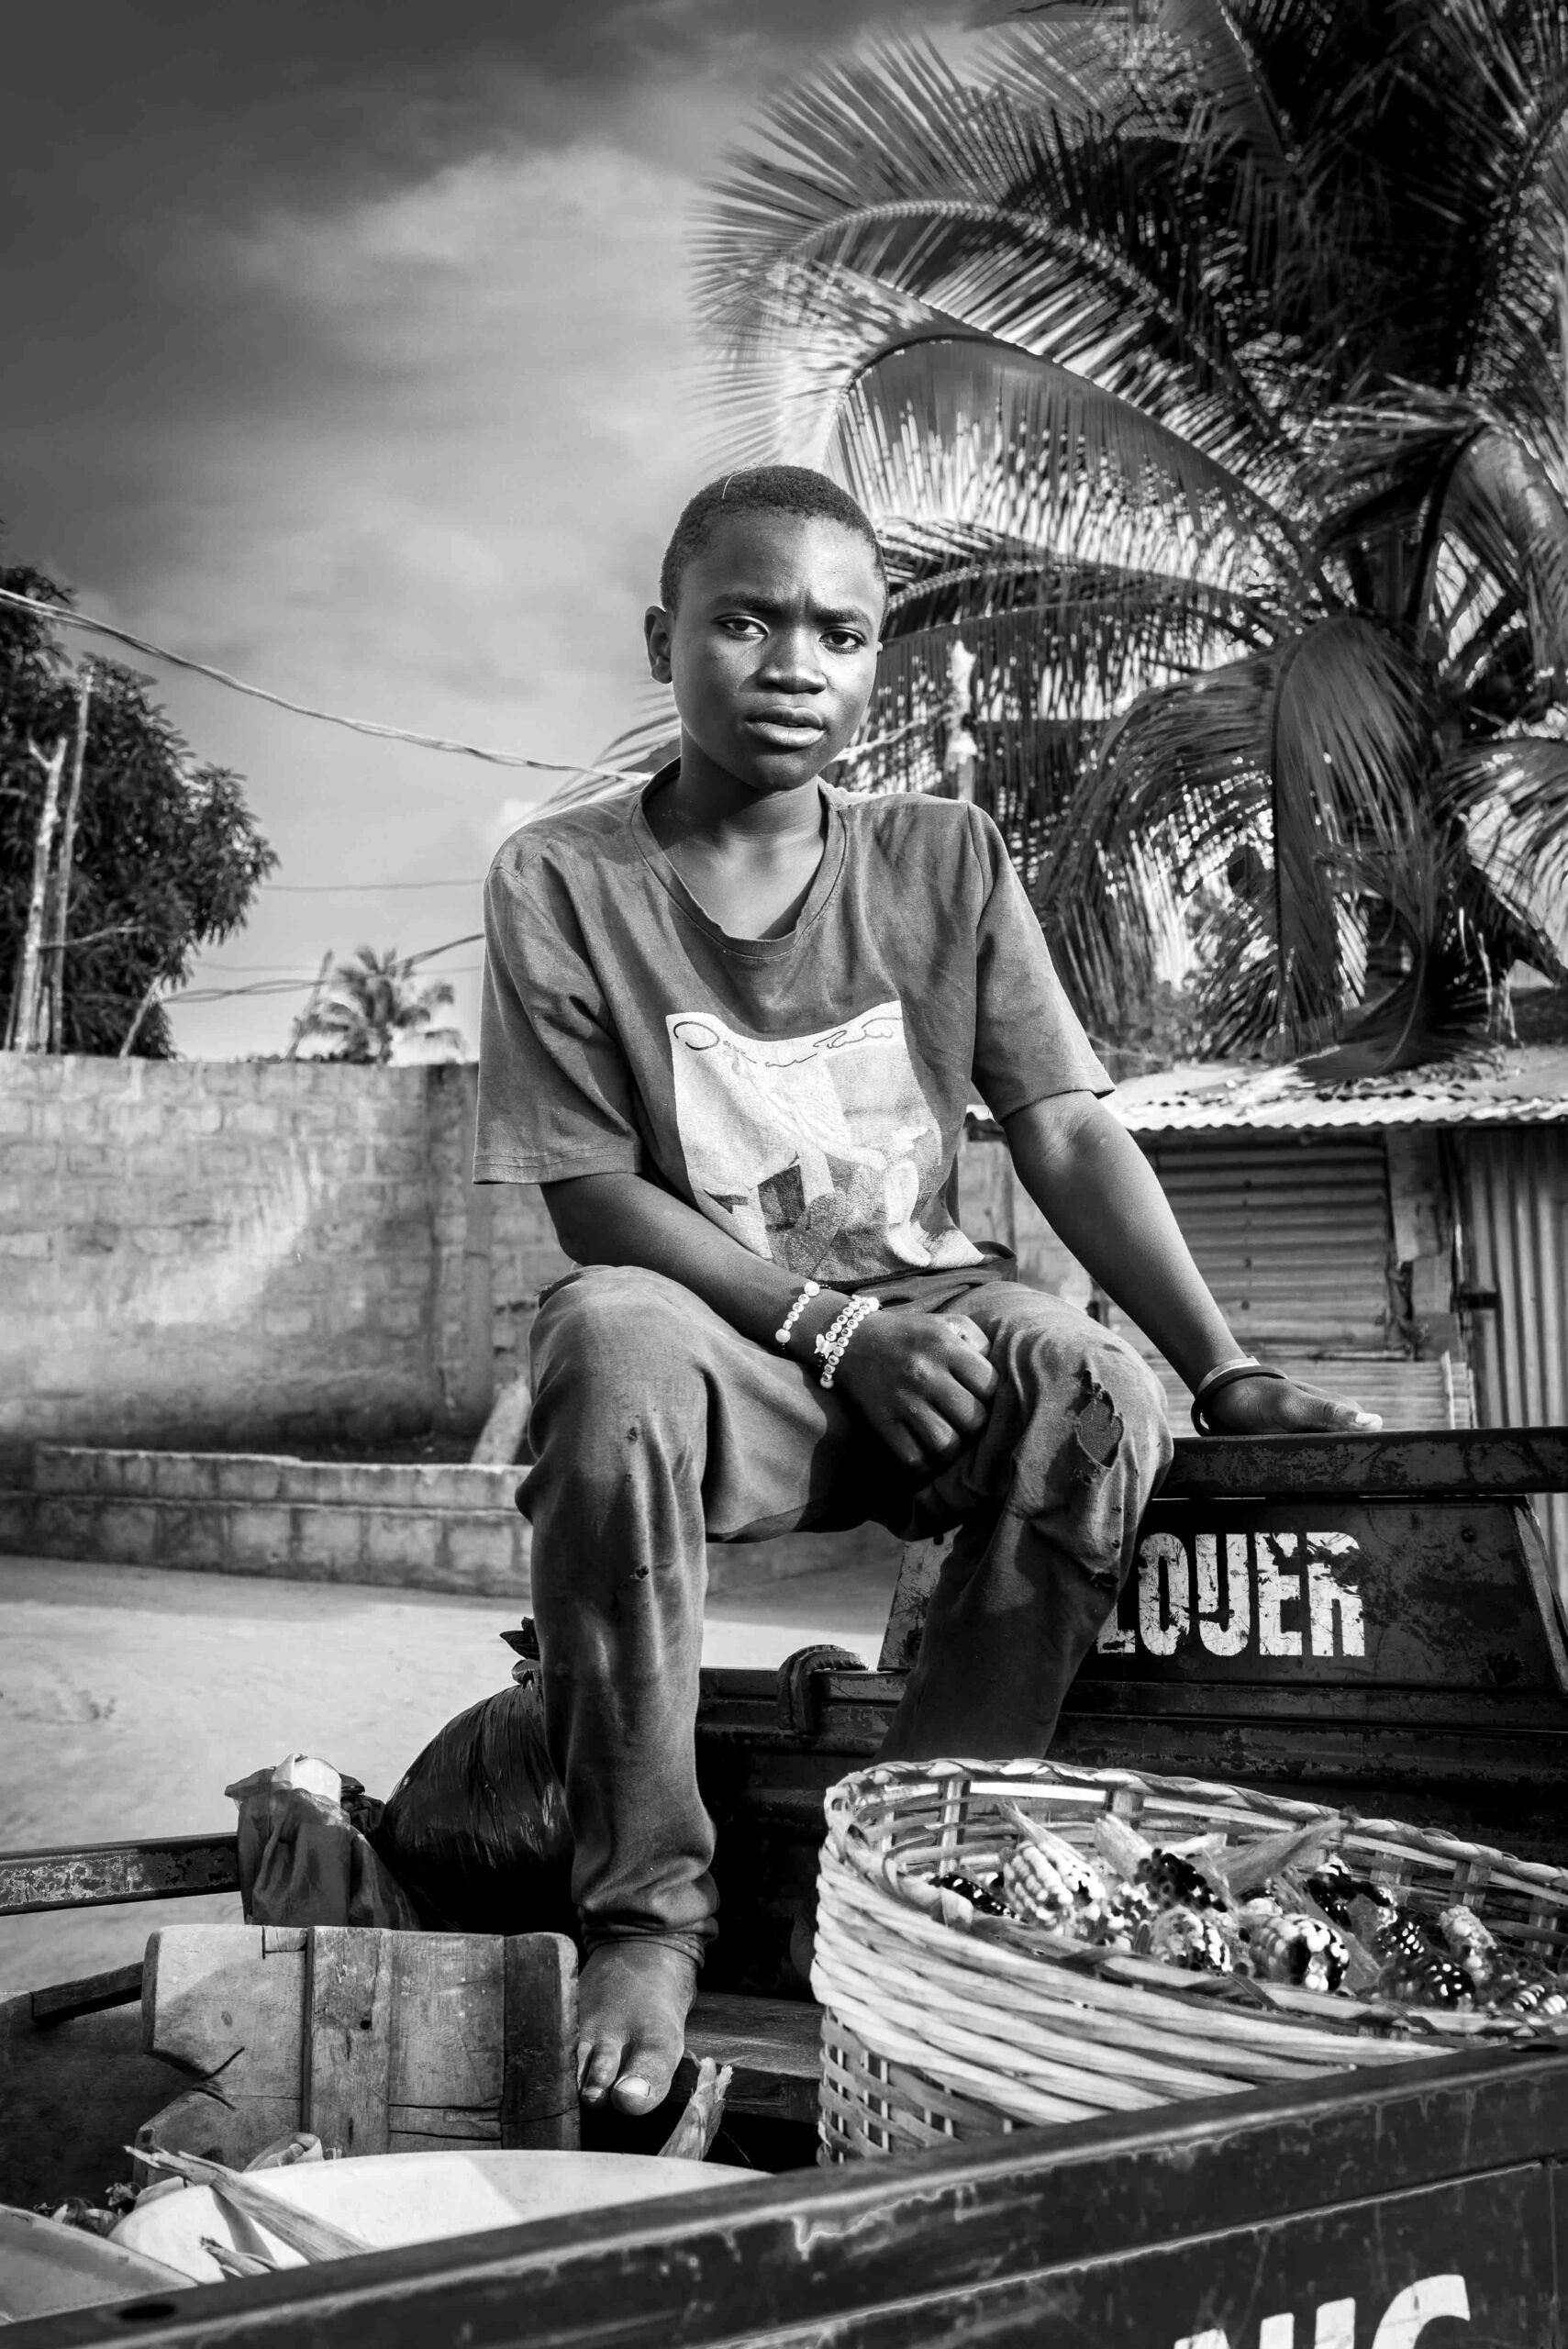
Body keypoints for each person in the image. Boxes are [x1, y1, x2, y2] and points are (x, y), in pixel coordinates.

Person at [475, 464, 1379, 2121]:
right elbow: (593, 1196)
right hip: (731, 1354)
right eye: (745, 622)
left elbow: (1064, 1128)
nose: (793, 665)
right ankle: (648, 1920)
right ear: (662, 639)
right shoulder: (562, 879)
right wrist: (831, 1330)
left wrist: (1224, 1366)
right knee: (602, 1341)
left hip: (939, 1341)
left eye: (840, 632)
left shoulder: (943, 858)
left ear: (875, 659)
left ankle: (907, 1871)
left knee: (1092, 1388)